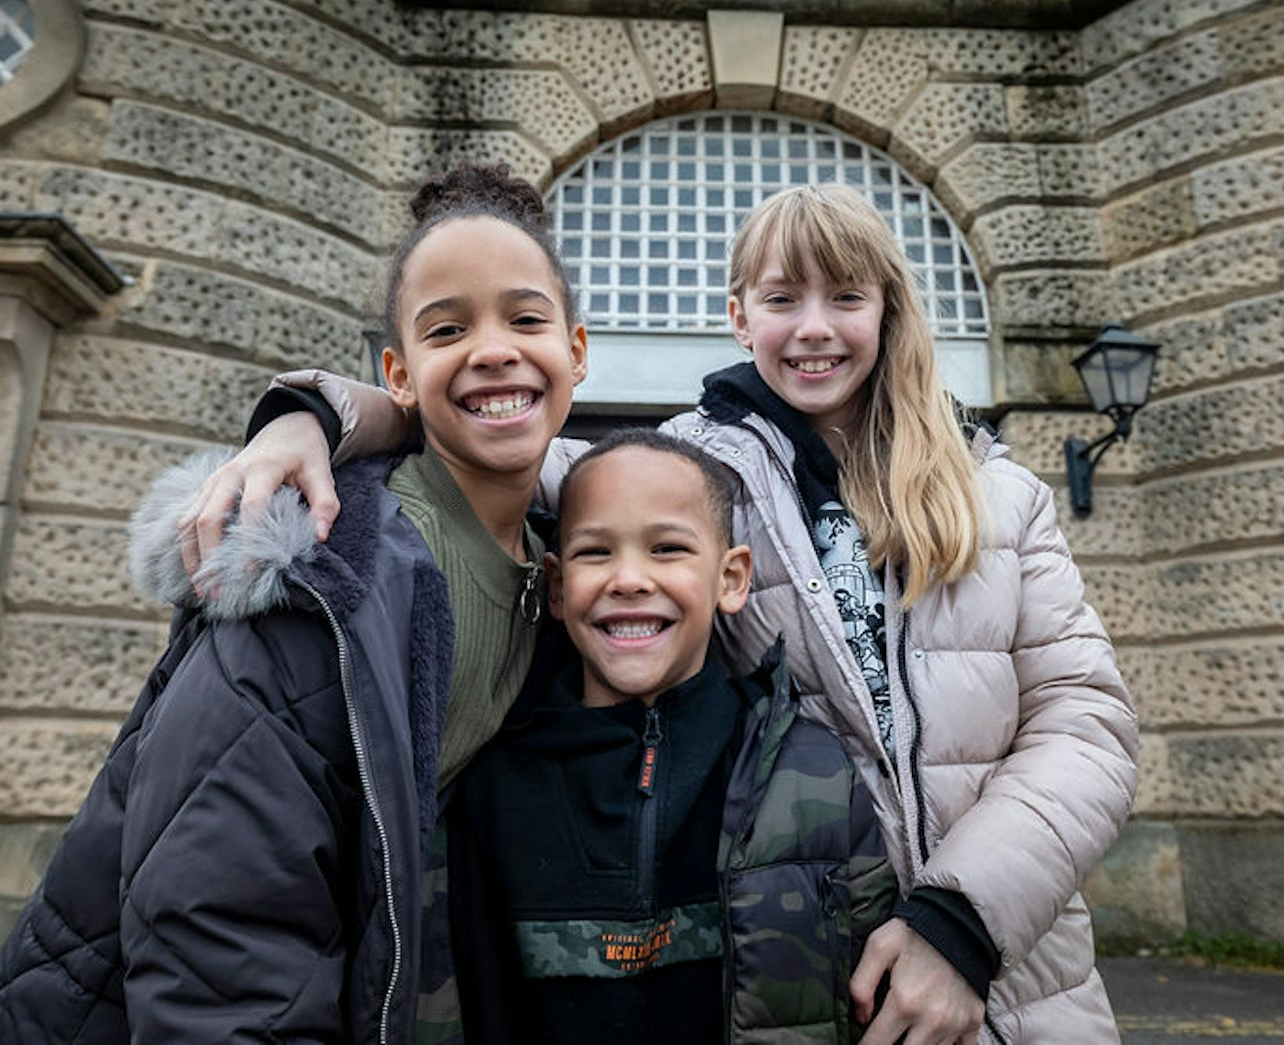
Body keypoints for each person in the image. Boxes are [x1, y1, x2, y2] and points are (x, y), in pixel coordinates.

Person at [164, 183, 1140, 1043]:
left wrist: (961, 926)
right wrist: (315, 416)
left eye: (846, 297)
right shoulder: (682, 471)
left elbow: (1085, 724)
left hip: (1016, 961)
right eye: (780, 298)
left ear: (889, 310)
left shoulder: (999, 493)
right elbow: (490, 425)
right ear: (737, 315)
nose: (813, 328)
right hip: (817, 961)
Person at [0, 164, 588, 1042]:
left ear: (577, 351)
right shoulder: (317, 580)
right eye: (448, 328)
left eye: (526, 318)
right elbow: (221, 925)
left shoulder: (570, 562)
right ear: (398, 373)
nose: (494, 347)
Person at [446, 427, 897, 1042]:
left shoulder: (812, 775)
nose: (629, 578)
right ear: (555, 584)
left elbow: (875, 1003)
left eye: (667, 549)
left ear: (732, 579)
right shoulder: (492, 789)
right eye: (595, 553)